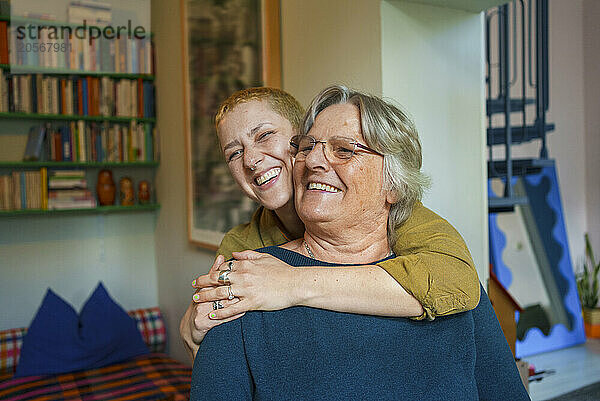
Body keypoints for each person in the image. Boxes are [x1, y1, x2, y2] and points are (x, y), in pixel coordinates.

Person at [189, 85, 529, 400]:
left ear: (393, 185)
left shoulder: (440, 265)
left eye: (344, 150)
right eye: (309, 147)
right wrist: (192, 328)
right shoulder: (244, 270)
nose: (315, 160)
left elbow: (455, 281)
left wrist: (293, 280)